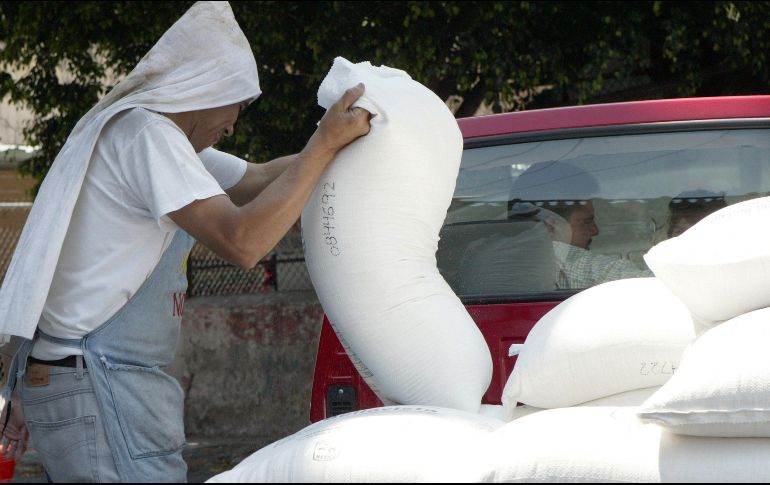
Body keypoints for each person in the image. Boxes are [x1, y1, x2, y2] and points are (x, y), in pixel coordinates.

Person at [0, 2, 371, 482]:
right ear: (207, 89)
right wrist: (322, 144)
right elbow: (242, 240)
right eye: (237, 104)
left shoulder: (163, 143)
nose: (235, 122)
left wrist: (337, 145)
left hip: (87, 378)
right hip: (95, 380)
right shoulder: (147, 135)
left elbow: (258, 179)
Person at [509, 161, 651, 289]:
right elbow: (648, 287)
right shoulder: (578, 267)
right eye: (586, 222)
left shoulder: (492, 258)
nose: (595, 231)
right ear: (550, 226)